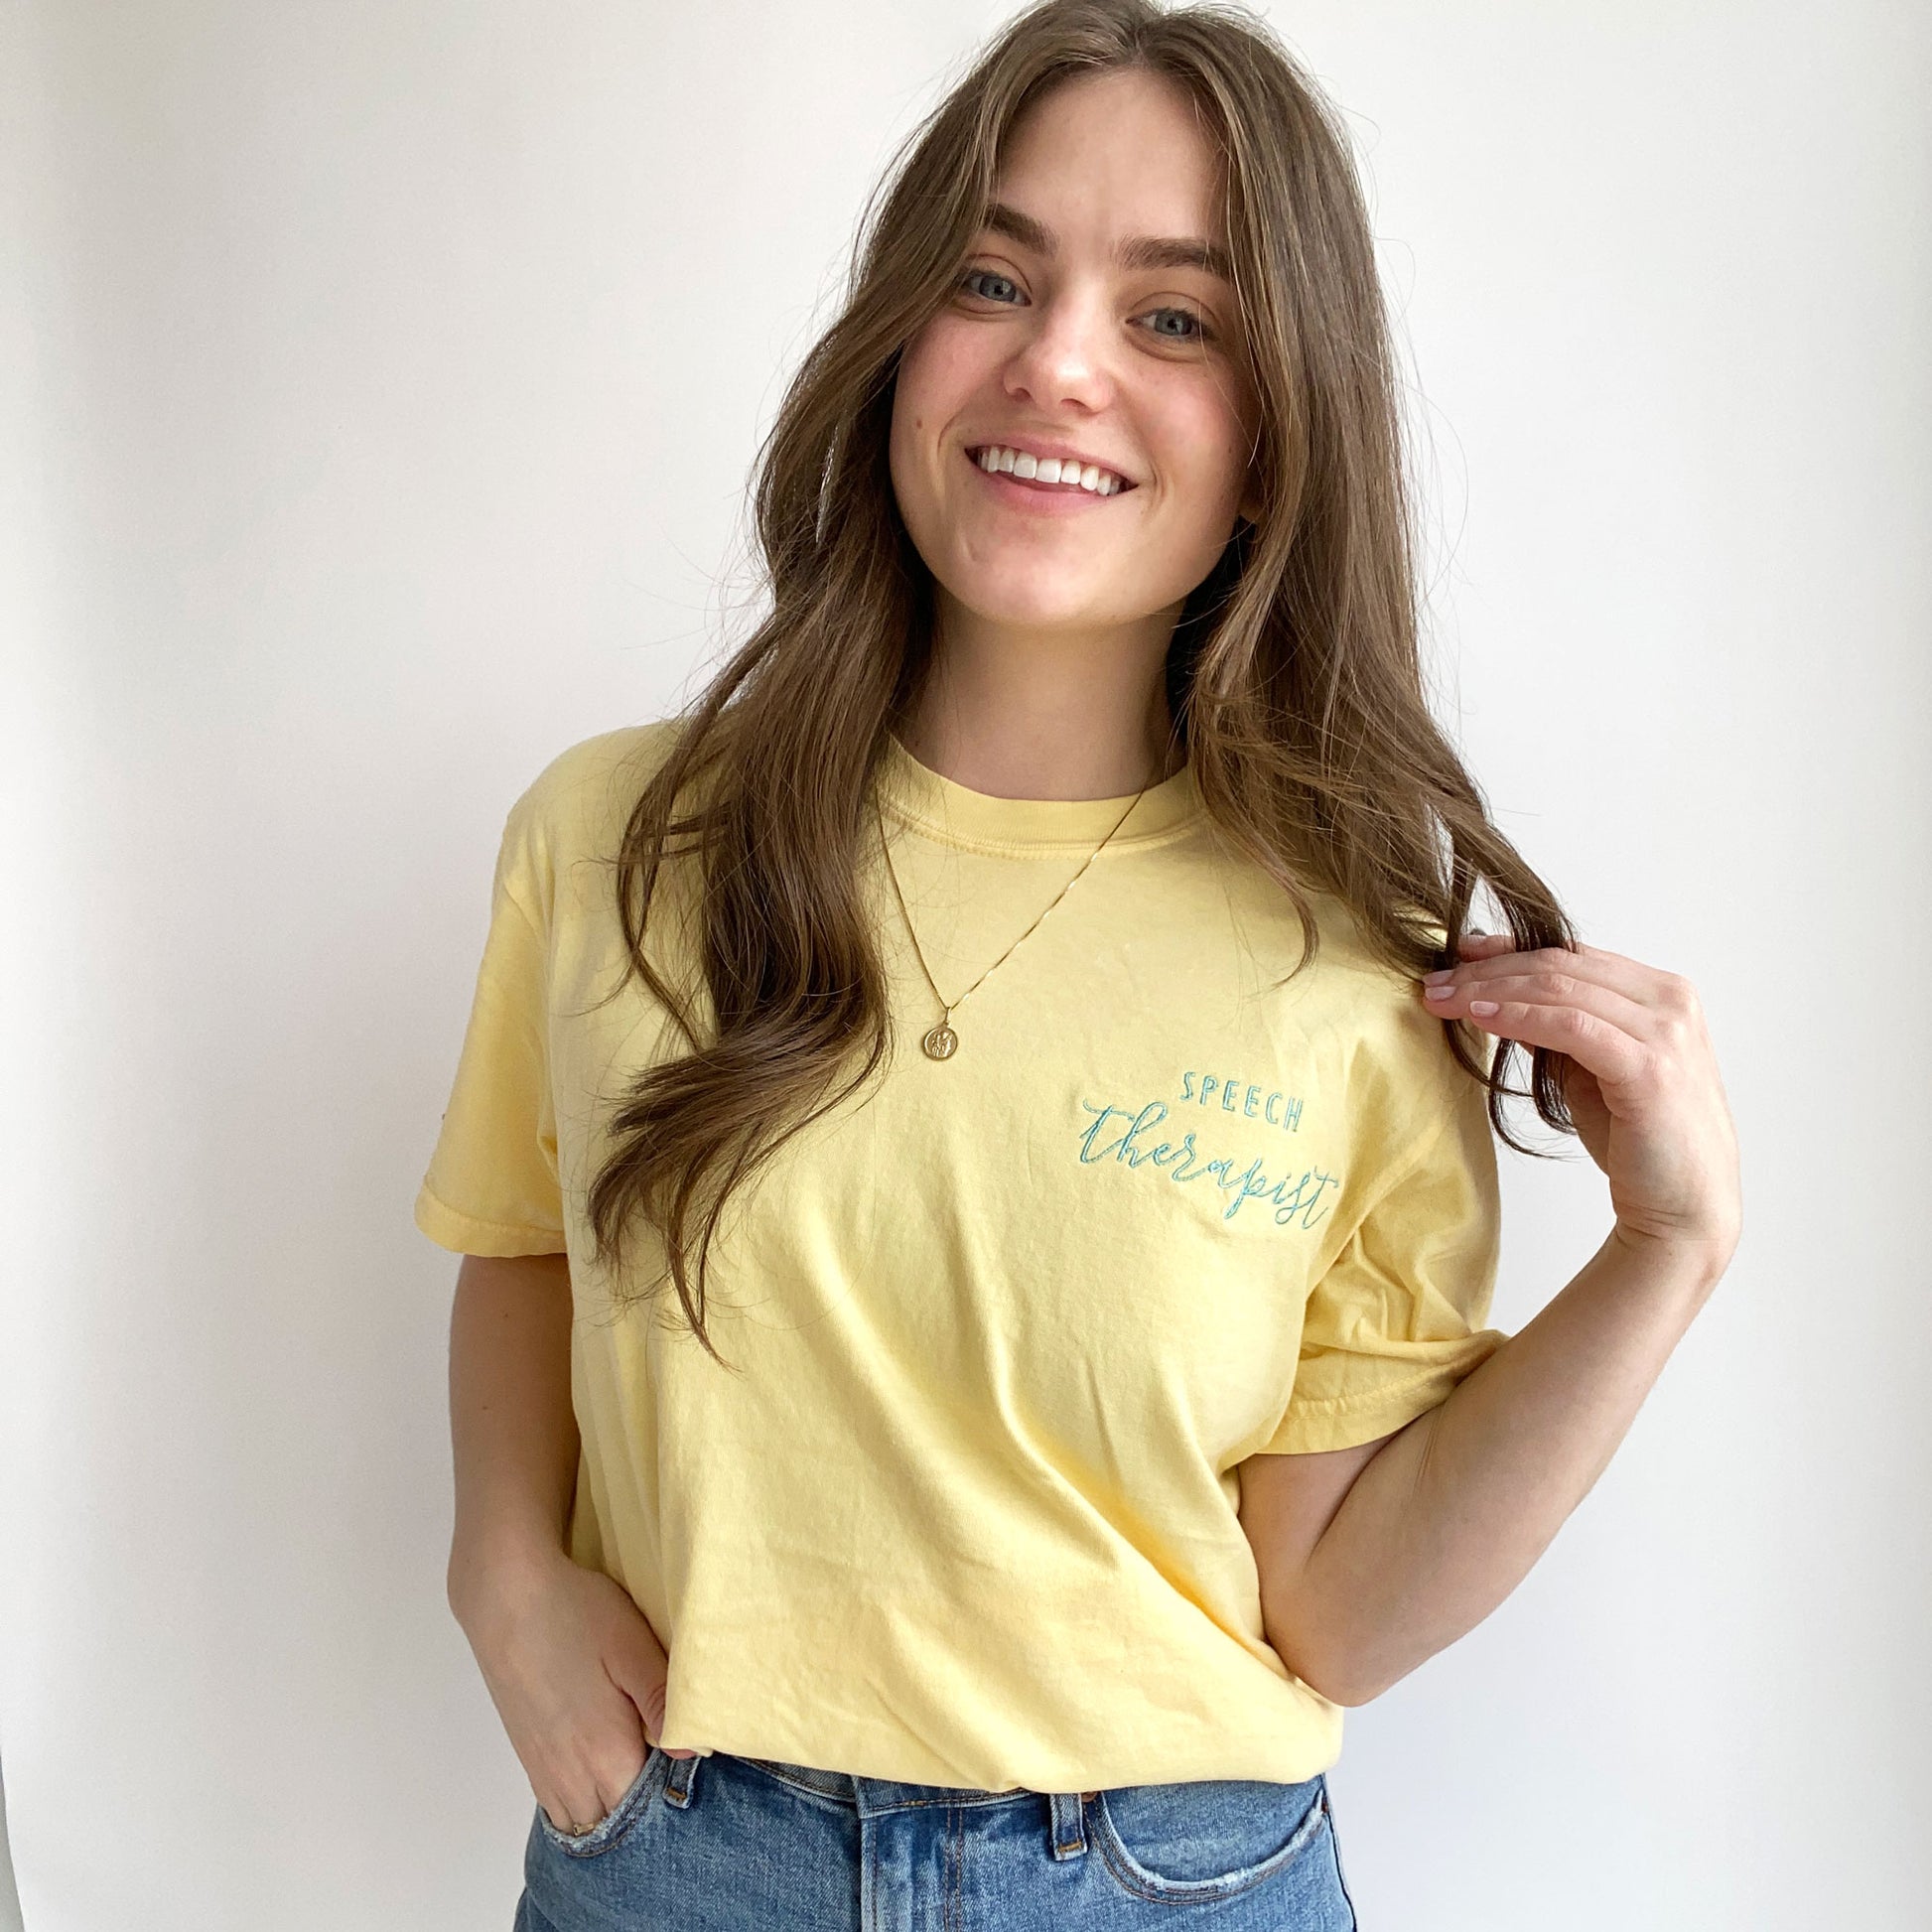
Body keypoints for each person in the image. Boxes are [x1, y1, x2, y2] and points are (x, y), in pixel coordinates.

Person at [414, 2, 1742, 1925]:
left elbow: (1336, 1607)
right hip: (681, 1860)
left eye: (1172, 316)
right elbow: (525, 1232)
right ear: (898, 336)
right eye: (993, 274)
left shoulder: (1356, 964)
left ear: (1278, 431)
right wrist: (500, 1571)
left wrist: (1663, 1258)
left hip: (1171, 1874)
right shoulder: (616, 839)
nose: (1056, 364)